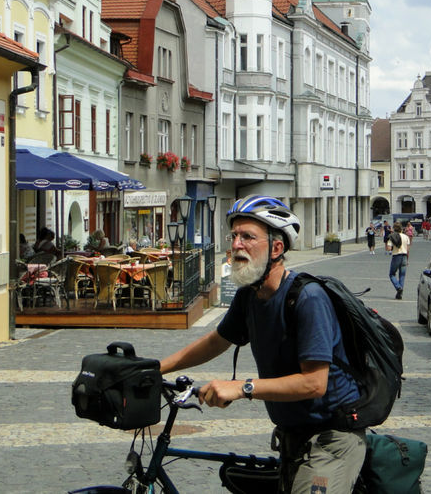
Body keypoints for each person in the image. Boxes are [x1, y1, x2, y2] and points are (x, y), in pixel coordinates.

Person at [159, 196, 366, 493]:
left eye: (248, 237)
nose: (236, 245)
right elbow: (218, 340)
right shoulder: (250, 294)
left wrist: (243, 388)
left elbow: (314, 384)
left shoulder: (308, 299)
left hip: (331, 438)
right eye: (234, 236)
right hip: (291, 435)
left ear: (276, 248)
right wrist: (156, 367)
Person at [388, 222, 410, 300]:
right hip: (404, 256)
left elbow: (389, 248)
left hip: (396, 256)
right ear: (401, 228)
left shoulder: (392, 237)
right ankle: (400, 293)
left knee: (392, 274)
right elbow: (407, 250)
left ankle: (398, 287)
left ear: (394, 228)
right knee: (402, 275)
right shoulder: (406, 237)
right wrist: (407, 259)